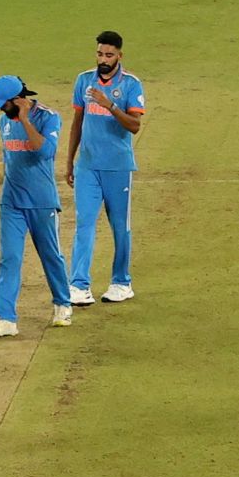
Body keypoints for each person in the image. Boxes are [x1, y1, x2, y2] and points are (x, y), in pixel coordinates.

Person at [0, 76, 72, 337]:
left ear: (18, 100)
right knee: (9, 258)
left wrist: (25, 120)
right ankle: (6, 318)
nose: (0, 109)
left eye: (4, 104)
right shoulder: (4, 121)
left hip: (42, 201)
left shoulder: (48, 117)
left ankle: (62, 304)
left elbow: (45, 152)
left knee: (50, 255)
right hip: (11, 201)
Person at [65, 31, 145, 306]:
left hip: (117, 167)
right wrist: (69, 162)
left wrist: (110, 105)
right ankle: (78, 285)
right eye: (100, 54)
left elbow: (134, 126)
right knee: (84, 224)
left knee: (119, 227)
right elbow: (77, 122)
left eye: (109, 55)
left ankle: (121, 283)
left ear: (119, 56)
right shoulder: (83, 80)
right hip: (87, 166)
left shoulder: (131, 85)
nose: (103, 59)